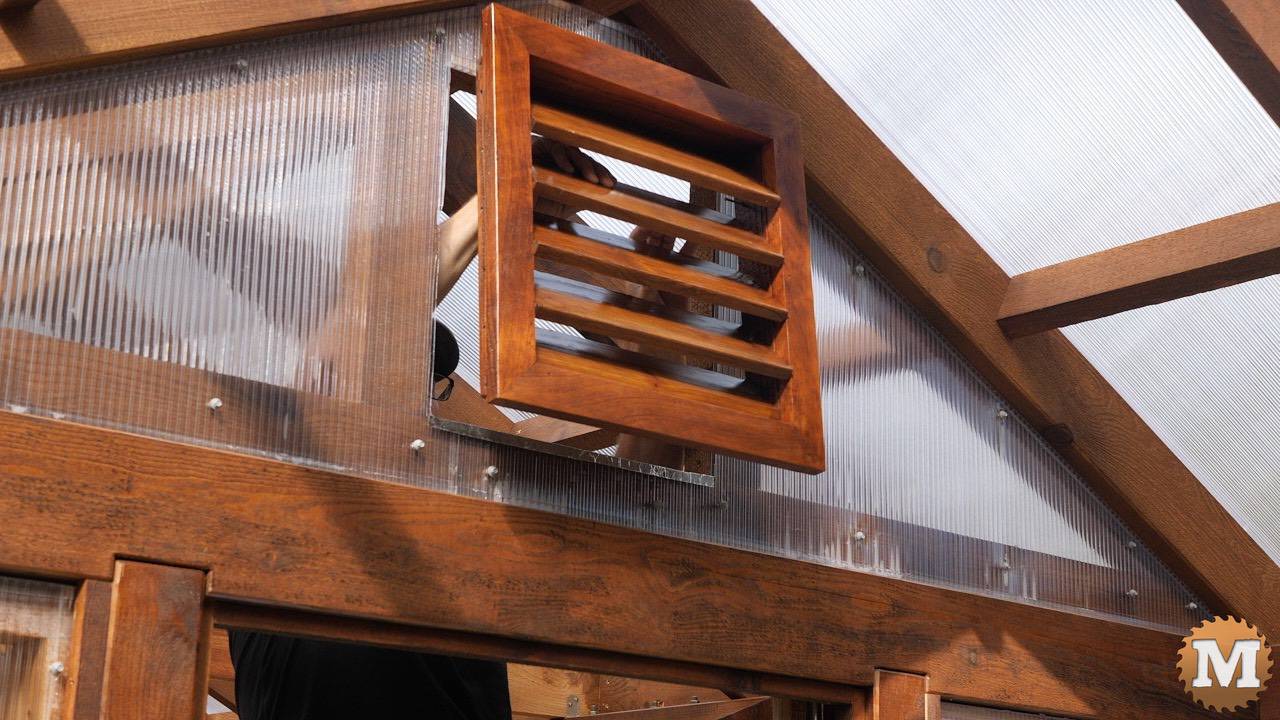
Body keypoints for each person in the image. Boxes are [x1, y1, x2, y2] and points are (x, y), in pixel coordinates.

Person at [228, 137, 632, 720]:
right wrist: (502, 194)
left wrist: (657, 345)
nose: (416, 402)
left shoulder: (469, 515)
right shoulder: (288, 493)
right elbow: (364, 335)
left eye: (431, 386)